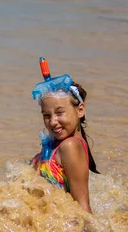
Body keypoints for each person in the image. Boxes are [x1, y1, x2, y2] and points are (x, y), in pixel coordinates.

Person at [32, 81, 99, 214]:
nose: (52, 122)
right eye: (46, 115)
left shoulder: (70, 146)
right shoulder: (55, 143)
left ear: (80, 110)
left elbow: (81, 204)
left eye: (59, 113)